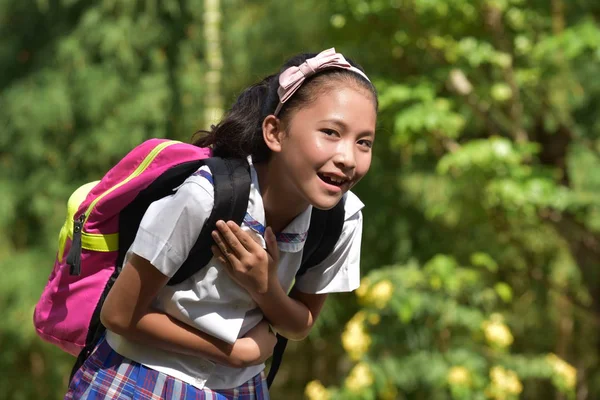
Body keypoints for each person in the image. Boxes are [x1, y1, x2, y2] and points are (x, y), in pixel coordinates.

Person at [64, 47, 378, 399]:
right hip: (137, 379)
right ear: (274, 132)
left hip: (242, 388)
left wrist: (266, 288)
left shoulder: (342, 218)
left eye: (364, 142)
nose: (348, 158)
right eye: (331, 133)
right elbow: (119, 315)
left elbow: (301, 323)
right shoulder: (205, 196)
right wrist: (236, 353)